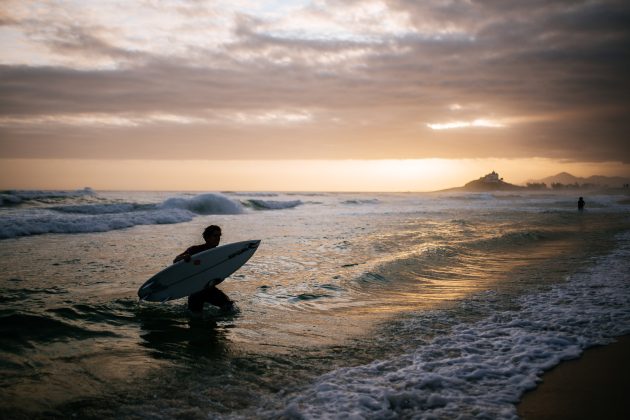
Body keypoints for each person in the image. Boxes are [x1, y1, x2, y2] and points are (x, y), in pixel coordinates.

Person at [174, 225, 235, 314]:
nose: (218, 238)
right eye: (215, 236)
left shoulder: (219, 254)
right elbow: (175, 260)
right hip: (196, 290)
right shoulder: (195, 250)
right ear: (207, 237)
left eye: (219, 236)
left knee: (229, 306)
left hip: (209, 289)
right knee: (195, 317)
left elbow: (221, 273)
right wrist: (184, 257)